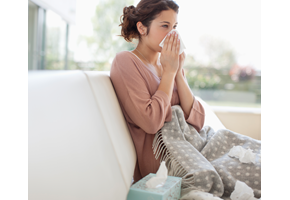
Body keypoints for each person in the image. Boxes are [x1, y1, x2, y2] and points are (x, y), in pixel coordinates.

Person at [110, 0, 205, 184]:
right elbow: (151, 122)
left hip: (193, 146)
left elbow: (199, 120)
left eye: (175, 27)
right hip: (163, 165)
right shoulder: (125, 61)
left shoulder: (169, 65)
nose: (173, 34)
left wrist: (177, 72)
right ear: (142, 28)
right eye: (165, 26)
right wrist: (169, 72)